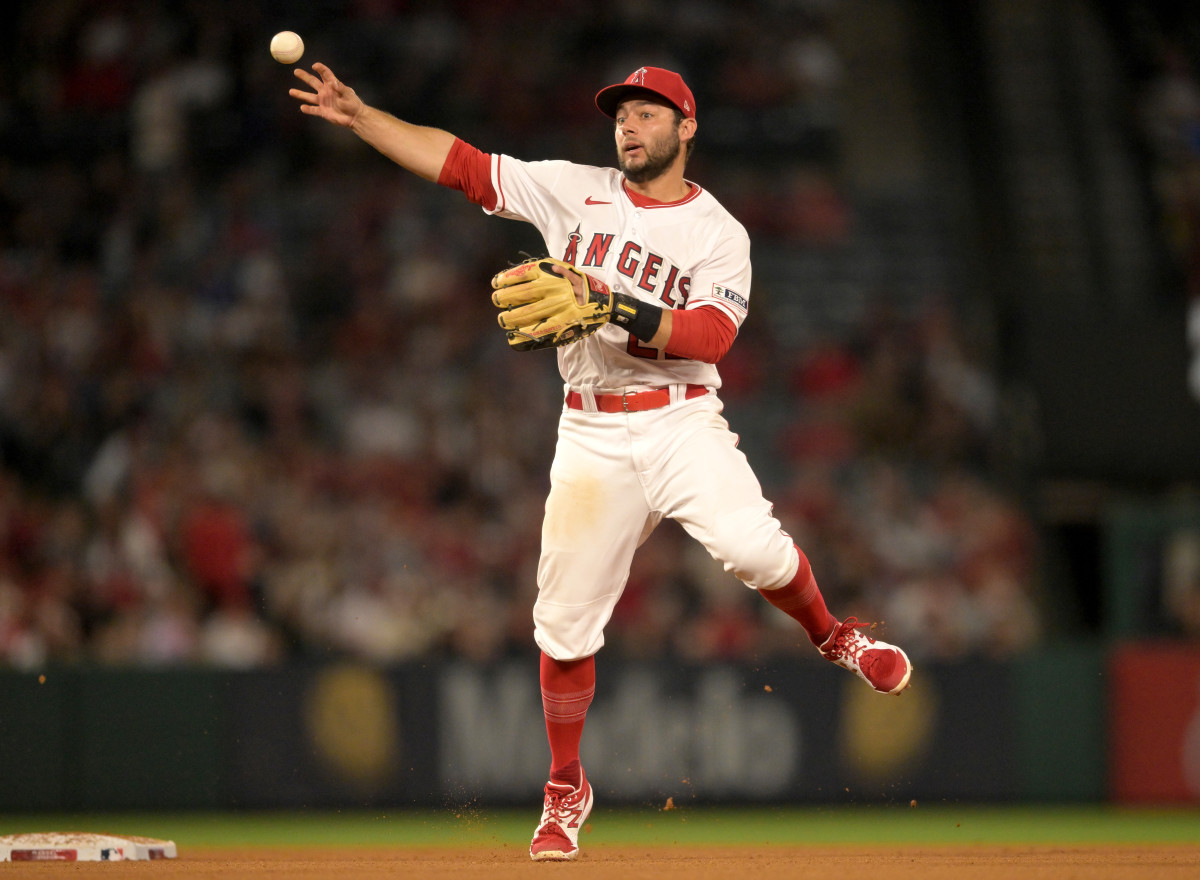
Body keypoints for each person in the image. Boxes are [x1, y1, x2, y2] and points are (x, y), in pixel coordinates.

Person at [289, 61, 912, 862]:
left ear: (686, 129)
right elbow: (460, 164)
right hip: (589, 432)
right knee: (563, 624)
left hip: (681, 420)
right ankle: (565, 787)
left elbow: (710, 339)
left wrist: (613, 304)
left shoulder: (718, 232)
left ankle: (835, 637)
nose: (629, 125)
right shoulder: (572, 189)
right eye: (622, 114)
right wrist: (362, 115)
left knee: (755, 549)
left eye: (649, 114)